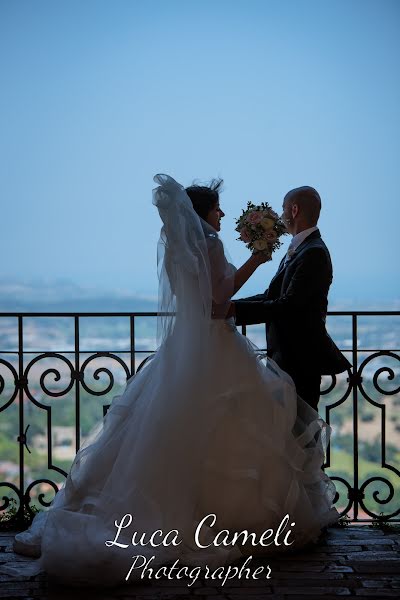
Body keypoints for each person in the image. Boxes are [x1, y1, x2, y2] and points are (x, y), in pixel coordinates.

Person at [1, 175, 339, 588]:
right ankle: (219, 514)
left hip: (190, 343)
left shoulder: (183, 248)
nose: (223, 214)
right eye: (217, 208)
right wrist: (254, 262)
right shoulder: (210, 244)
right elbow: (220, 300)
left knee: (177, 425)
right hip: (215, 345)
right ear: (203, 213)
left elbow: (213, 301)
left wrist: (237, 296)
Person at [232, 186, 351, 410]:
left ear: (294, 210)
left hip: (300, 360)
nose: (281, 214)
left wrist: (234, 312)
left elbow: (290, 305)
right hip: (287, 359)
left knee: (299, 432)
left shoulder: (313, 252)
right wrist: (231, 307)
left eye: (283, 208)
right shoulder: (302, 247)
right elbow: (272, 296)